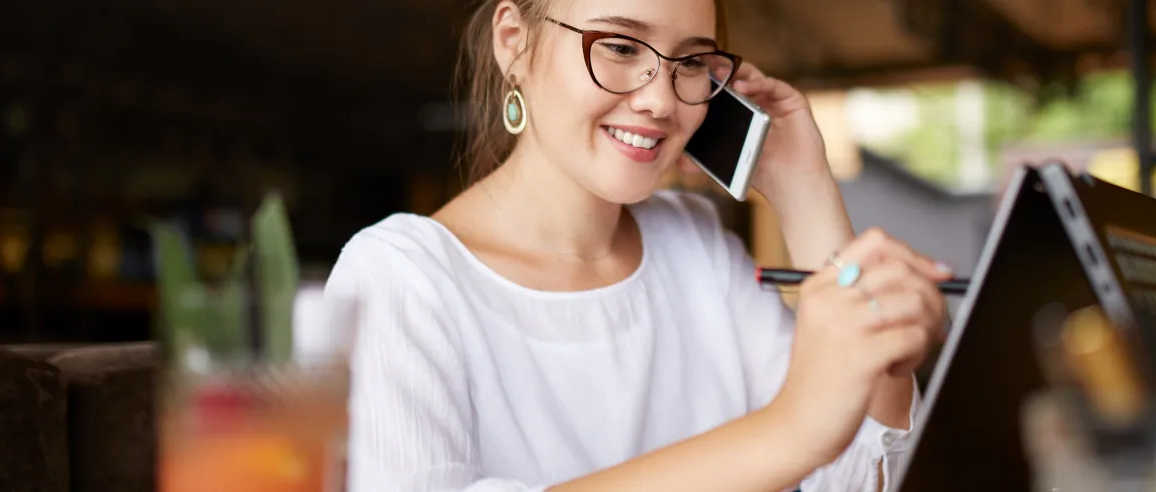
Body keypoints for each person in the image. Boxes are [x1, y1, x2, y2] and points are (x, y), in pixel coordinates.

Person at [323, 0, 954, 490]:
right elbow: (808, 433)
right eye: (621, 46)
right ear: (513, 42)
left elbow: (868, 477)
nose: (659, 100)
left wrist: (802, 188)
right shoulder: (401, 278)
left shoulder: (696, 250)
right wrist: (789, 432)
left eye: (690, 63)